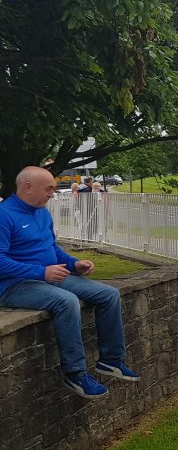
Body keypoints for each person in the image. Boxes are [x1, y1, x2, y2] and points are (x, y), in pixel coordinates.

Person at [0, 166, 139, 399]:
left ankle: (110, 361)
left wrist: (74, 264)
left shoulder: (41, 212)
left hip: (49, 277)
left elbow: (51, 248)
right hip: (14, 285)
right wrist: (41, 272)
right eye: (49, 189)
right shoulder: (4, 215)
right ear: (27, 187)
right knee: (67, 301)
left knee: (109, 294)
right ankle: (75, 373)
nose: (53, 194)